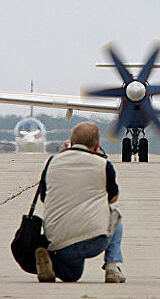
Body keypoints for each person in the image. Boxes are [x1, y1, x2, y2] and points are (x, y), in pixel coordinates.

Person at [34, 121, 126, 283]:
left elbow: (44, 197)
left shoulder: (52, 162)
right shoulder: (103, 165)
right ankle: (112, 267)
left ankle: (52, 262)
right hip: (94, 241)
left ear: (71, 141)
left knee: (72, 273)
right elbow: (113, 198)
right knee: (115, 217)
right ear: (97, 145)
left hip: (58, 243)